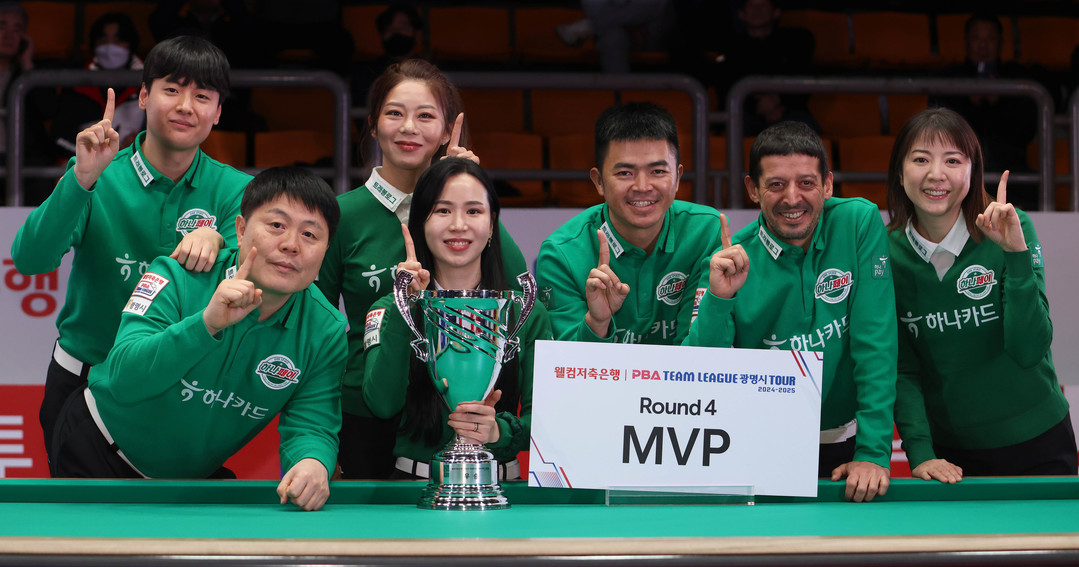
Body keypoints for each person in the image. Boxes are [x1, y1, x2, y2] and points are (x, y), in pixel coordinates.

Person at [10, 35, 252, 464]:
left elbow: (250, 287)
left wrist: (217, 239)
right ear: (142, 96)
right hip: (83, 380)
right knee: (81, 510)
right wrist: (81, 180)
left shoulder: (238, 191)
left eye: (202, 96)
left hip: (179, 386)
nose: (185, 106)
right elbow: (30, 260)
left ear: (217, 113)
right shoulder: (98, 172)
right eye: (171, 89)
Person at [49, 167, 346, 511]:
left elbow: (313, 423)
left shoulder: (326, 329)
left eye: (310, 234)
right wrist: (206, 324)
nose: (291, 245)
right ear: (240, 229)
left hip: (191, 484)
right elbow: (123, 378)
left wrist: (313, 461)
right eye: (276, 225)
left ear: (326, 250)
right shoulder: (176, 273)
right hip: (97, 449)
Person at [317, 58, 530, 479]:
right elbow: (316, 327)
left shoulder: (465, 219)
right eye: (395, 113)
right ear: (373, 125)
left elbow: (512, 284)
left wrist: (466, 181)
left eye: (426, 116)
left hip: (450, 410)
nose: (409, 128)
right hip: (366, 410)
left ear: (449, 130)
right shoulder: (339, 216)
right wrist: (323, 440)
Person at [685, 120, 896, 503]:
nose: (792, 198)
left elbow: (876, 344)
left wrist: (873, 452)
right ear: (753, 189)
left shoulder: (858, 222)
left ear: (827, 185)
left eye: (807, 183)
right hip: (755, 448)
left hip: (845, 447)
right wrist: (718, 299)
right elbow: (696, 371)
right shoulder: (728, 260)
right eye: (777, 184)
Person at [885, 107, 1074, 483]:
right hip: (951, 458)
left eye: (952, 160)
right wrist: (921, 452)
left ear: (973, 171)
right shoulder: (885, 254)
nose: (936, 174)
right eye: (920, 159)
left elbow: (1029, 349)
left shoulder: (1011, 227)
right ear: (900, 174)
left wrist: (1015, 256)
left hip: (1040, 443)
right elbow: (902, 369)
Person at [361, 158, 550, 480]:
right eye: (443, 210)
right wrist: (403, 306)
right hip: (414, 489)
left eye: (473, 211)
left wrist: (498, 432)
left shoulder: (525, 313)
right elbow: (381, 404)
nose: (458, 225)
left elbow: (549, 422)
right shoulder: (392, 308)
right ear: (421, 222)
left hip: (503, 488)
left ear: (492, 225)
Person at [536, 101, 723, 345]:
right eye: (625, 173)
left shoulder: (707, 232)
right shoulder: (561, 254)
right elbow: (565, 364)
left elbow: (701, 355)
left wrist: (720, 299)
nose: (642, 186)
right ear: (599, 181)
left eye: (658, 171)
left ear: (677, 177)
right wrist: (597, 323)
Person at [932, 13, 1045, 210]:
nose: (983, 46)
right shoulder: (949, 79)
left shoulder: (1017, 79)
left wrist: (998, 101)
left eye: (990, 39)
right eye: (976, 38)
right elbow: (937, 129)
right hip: (957, 173)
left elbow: (1025, 130)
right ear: (966, 41)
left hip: (1011, 174)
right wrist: (969, 103)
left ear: (1001, 43)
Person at [51, 12, 146, 155]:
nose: (110, 48)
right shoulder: (75, 84)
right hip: (83, 164)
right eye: (103, 40)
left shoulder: (151, 81)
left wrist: (136, 148)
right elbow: (59, 137)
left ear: (131, 44)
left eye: (118, 41)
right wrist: (93, 154)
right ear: (94, 45)